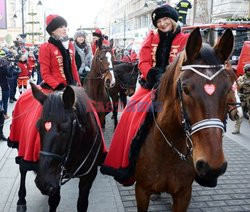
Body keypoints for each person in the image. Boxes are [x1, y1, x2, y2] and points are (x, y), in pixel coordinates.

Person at [101, 4, 189, 185]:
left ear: (172, 20)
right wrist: (154, 75)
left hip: (176, 86)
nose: (163, 24)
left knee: (196, 115)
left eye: (165, 20)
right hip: (150, 85)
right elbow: (144, 62)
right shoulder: (151, 37)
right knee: (130, 113)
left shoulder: (184, 39)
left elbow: (189, 63)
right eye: (159, 21)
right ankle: (127, 162)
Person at [8, 14, 81, 166]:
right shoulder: (45, 47)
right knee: (39, 119)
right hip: (53, 89)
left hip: (71, 88)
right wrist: (60, 87)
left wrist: (78, 86)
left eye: (64, 26)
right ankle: (36, 153)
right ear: (53, 30)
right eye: (61, 26)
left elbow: (73, 68)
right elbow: (45, 74)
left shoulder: (71, 46)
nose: (64, 29)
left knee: (90, 112)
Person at [232, 64, 250, 134]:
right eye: (248, 71)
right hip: (243, 97)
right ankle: (237, 129)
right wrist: (244, 83)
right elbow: (237, 88)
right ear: (245, 71)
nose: (249, 72)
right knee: (240, 114)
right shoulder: (241, 78)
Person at [0, 52, 11, 119]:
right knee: (5, 101)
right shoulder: (4, 68)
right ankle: (5, 114)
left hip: (2, 87)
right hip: (4, 86)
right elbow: (9, 75)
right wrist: (9, 67)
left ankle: (1, 115)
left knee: (1, 101)